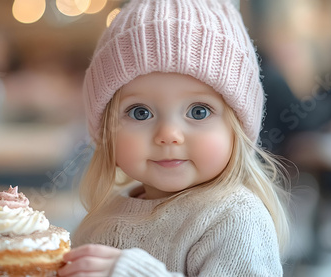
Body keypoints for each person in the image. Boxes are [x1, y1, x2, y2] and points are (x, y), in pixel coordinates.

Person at [58, 0, 290, 276]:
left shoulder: (235, 218)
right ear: (106, 132)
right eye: (140, 112)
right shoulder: (101, 218)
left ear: (236, 128)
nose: (168, 135)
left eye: (199, 111)